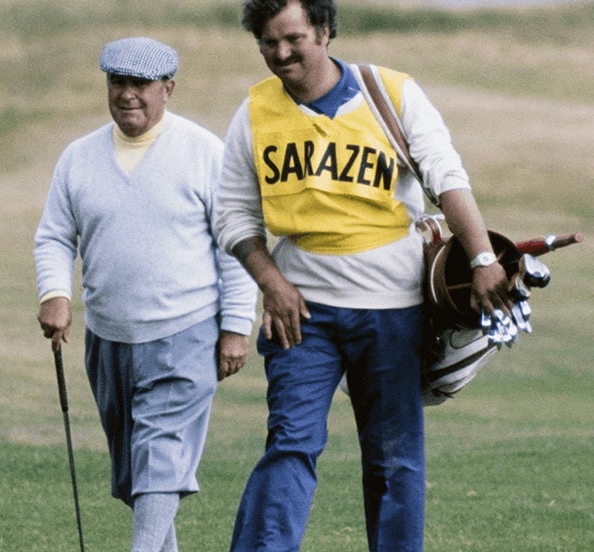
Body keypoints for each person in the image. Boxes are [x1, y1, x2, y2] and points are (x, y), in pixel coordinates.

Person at [213, 1, 515, 550]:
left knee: (393, 458)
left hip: (392, 308)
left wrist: (482, 259)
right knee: (290, 444)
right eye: (268, 42)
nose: (281, 53)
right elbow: (233, 215)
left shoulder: (391, 93)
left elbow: (446, 177)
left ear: (324, 31)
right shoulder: (255, 110)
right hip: (300, 312)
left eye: (293, 38)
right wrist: (271, 284)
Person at [34, 37, 258, 552]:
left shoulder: (204, 152)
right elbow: (54, 236)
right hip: (108, 337)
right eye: (118, 82)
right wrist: (55, 293)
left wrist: (235, 326)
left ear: (168, 89)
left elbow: (238, 245)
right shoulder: (78, 157)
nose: (127, 94)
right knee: (138, 472)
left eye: (140, 84)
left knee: (161, 456)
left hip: (186, 332)